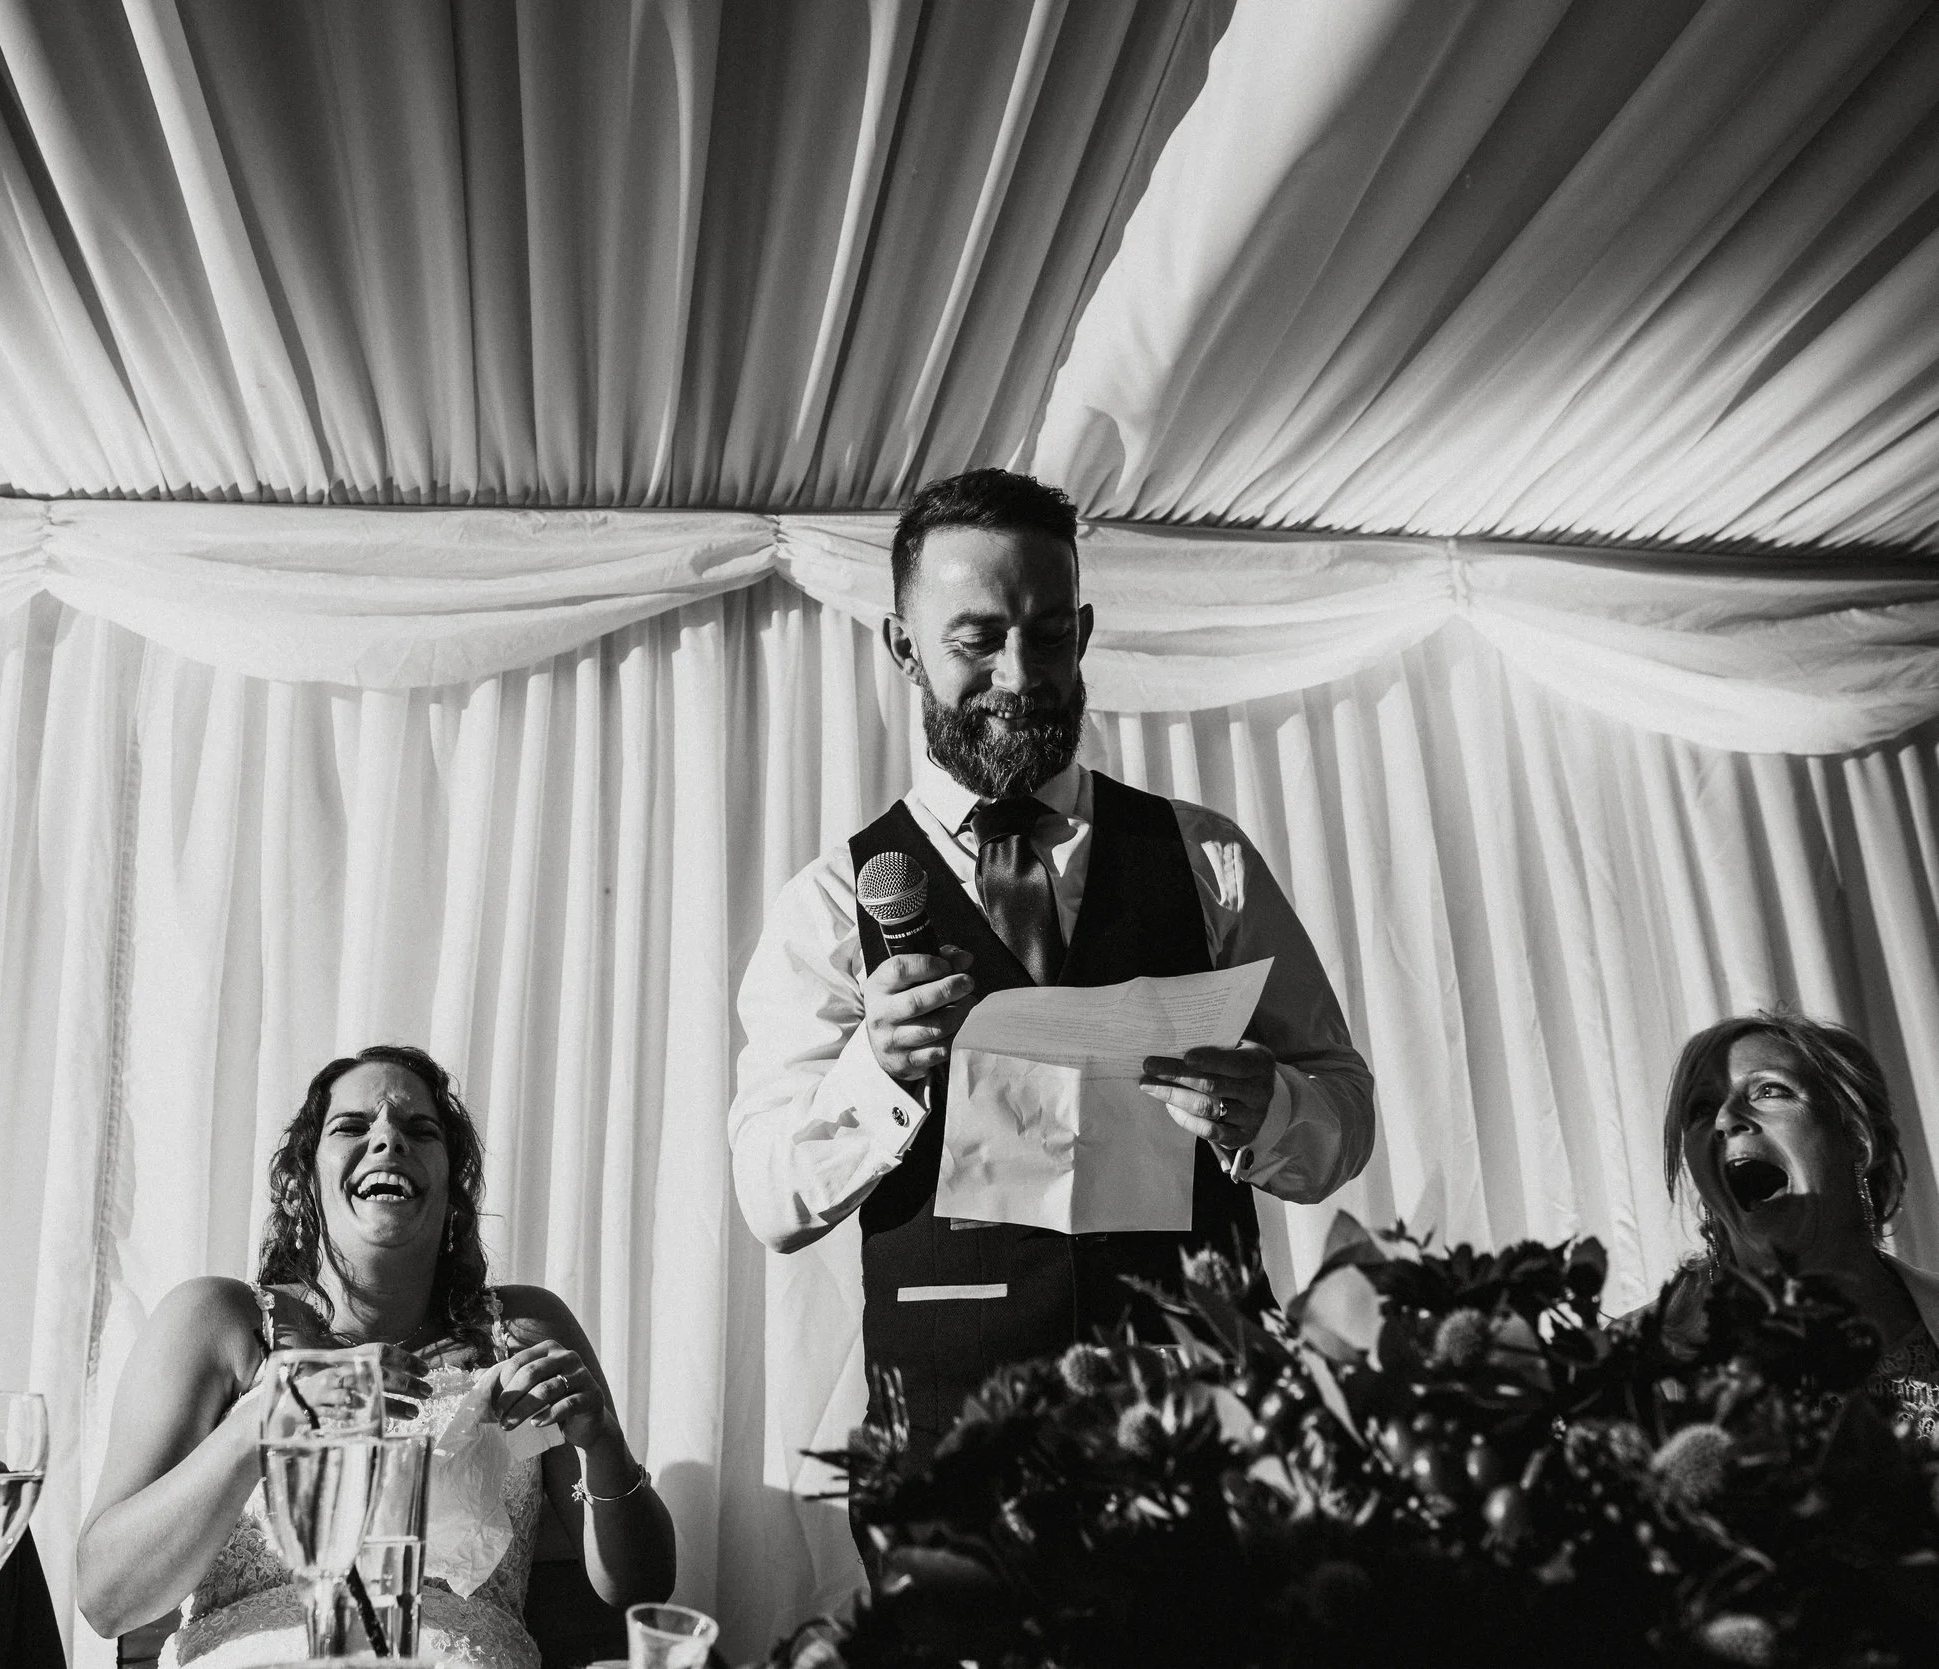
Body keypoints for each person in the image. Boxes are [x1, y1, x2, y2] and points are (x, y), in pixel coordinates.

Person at [730, 467, 1375, 1458]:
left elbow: (1344, 1113)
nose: (1022, 675)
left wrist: (1274, 1108)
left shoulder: (1206, 859)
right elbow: (769, 1196)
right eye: (977, 639)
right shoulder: (825, 903)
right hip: (951, 1458)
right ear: (903, 647)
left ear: (1082, 633)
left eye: (1045, 634)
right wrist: (879, 1070)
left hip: (1194, 1435)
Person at [78, 1045, 676, 1669]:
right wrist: (262, 1423)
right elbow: (106, 1602)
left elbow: (642, 1588)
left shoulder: (525, 1327)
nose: (388, 1139)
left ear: (453, 1190)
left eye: (421, 1130)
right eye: (352, 1127)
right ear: (302, 1179)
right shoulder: (220, 1323)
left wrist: (602, 1443)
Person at [1659, 1010, 1939, 1439]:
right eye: (1701, 1109)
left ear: (1858, 1140)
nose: (1724, 1119)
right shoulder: (1645, 1370)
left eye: (1770, 1090)